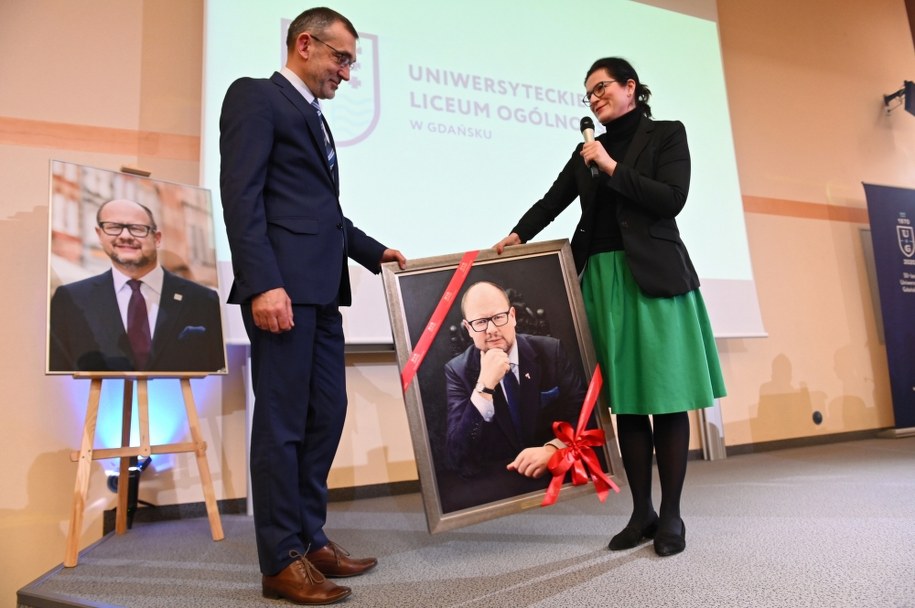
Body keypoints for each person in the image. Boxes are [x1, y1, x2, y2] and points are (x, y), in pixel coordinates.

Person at [493, 57, 726, 557]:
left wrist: (611, 166)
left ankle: (672, 516)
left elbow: (670, 199)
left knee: (664, 397)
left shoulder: (665, 134)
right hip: (599, 280)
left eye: (602, 88)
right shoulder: (585, 153)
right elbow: (552, 200)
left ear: (630, 87)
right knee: (624, 403)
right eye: (589, 93)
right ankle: (641, 512)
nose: (595, 98)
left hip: (653, 278)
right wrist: (516, 236)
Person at [219, 7, 406, 606]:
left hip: (323, 295)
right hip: (283, 294)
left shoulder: (313, 118)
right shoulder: (256, 97)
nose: (347, 74)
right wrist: (261, 283)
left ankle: (308, 538)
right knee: (281, 426)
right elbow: (241, 197)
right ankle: (280, 560)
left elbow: (323, 216)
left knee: (324, 414)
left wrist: (378, 254)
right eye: (341, 58)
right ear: (306, 44)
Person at [442, 281, 587, 508]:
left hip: (551, 467)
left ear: (512, 316)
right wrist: (484, 386)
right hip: (496, 478)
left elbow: (585, 414)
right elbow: (457, 454)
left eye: (498, 317)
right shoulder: (458, 370)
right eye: (480, 322)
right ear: (468, 328)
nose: (491, 330)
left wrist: (554, 449)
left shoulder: (551, 351)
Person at [48, 198, 225, 373]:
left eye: (137, 228)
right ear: (99, 235)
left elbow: (215, 370)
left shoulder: (203, 300)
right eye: (113, 227)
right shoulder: (71, 299)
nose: (125, 236)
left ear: (157, 238)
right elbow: (59, 372)